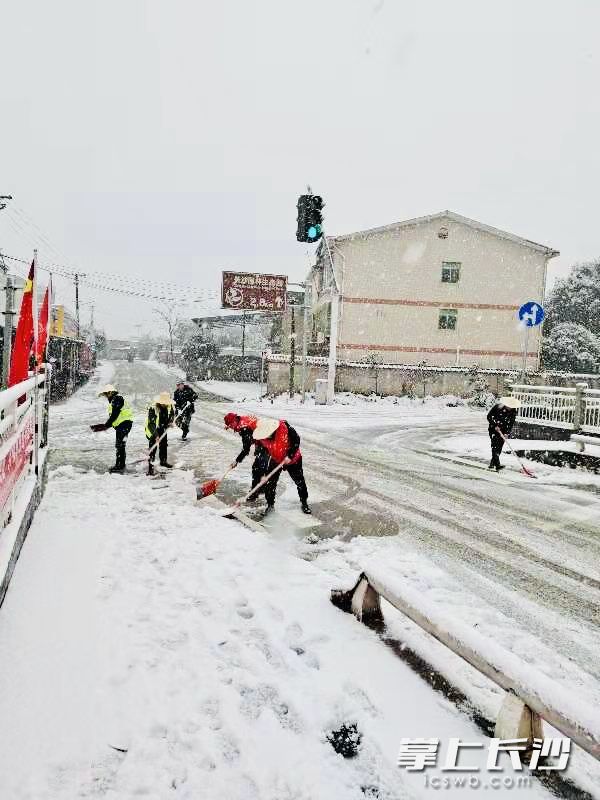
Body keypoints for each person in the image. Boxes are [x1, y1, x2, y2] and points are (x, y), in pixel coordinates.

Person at [252, 417, 311, 515]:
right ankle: (270, 505)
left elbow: (296, 440)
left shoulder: (285, 428)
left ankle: (304, 502)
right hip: (276, 459)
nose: (266, 437)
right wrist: (263, 474)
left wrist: (290, 455)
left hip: (293, 460)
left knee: (299, 481)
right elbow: (261, 456)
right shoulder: (261, 439)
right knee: (270, 483)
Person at [96, 384, 134, 473]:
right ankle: (121, 464)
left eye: (106, 394)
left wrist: (106, 425)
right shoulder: (114, 400)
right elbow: (114, 418)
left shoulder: (117, 399)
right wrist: (105, 426)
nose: (105, 396)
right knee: (120, 445)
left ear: (110, 392)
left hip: (124, 424)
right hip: (123, 425)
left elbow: (115, 415)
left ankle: (119, 465)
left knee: (120, 445)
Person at [223, 412, 263, 489]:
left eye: (230, 425)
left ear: (234, 421)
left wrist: (237, 461)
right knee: (259, 465)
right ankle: (259, 489)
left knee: (257, 467)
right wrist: (228, 426)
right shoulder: (241, 420)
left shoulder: (244, 429)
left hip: (266, 440)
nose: (231, 427)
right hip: (261, 438)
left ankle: (255, 492)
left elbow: (246, 449)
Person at [487, 396, 521, 471]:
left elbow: (511, 423)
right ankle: (497, 465)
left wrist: (507, 433)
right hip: (494, 430)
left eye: (512, 407)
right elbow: (489, 416)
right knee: (495, 446)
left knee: (499, 447)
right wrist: (495, 425)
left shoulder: (513, 411)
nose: (510, 408)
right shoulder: (497, 407)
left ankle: (492, 464)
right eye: (509, 406)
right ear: (506, 404)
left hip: (503, 431)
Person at [145, 391, 175, 475]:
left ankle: (163, 461)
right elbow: (151, 423)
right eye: (163, 403)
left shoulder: (169, 406)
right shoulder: (153, 408)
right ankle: (150, 468)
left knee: (163, 445)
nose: (165, 404)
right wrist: (156, 435)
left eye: (166, 403)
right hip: (152, 429)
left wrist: (170, 422)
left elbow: (172, 414)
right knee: (153, 448)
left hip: (163, 428)